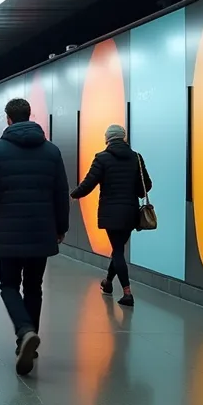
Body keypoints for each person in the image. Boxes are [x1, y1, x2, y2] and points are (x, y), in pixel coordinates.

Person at [0, 98, 69, 376]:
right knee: (33, 286)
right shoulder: (51, 151)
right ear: (30, 116)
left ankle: (25, 331)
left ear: (8, 119)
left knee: (8, 285)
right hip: (42, 229)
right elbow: (60, 194)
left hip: (10, 227)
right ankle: (28, 342)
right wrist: (60, 227)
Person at [71, 124, 152, 307]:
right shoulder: (136, 158)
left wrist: (74, 194)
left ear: (107, 138)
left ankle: (127, 292)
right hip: (130, 212)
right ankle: (108, 283)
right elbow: (145, 186)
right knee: (118, 250)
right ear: (123, 138)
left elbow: (89, 182)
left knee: (117, 251)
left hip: (111, 211)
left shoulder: (102, 158)